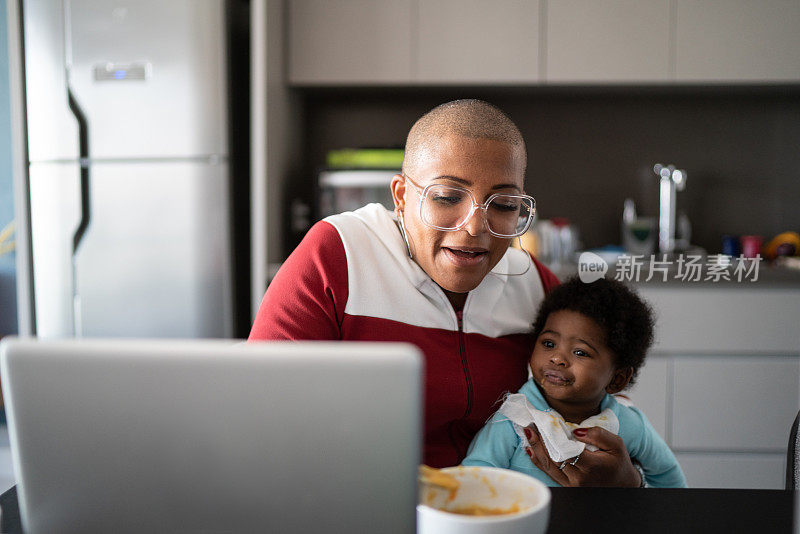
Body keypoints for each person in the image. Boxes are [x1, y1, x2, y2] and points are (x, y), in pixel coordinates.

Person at [249, 99, 643, 486]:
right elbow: (259, 413)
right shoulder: (338, 255)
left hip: (496, 508)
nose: (475, 227)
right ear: (402, 197)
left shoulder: (534, 284)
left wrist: (628, 480)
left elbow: (605, 401)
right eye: (447, 197)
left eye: (503, 204)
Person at [462, 277, 687, 488]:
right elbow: (473, 477)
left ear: (617, 379)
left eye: (580, 352)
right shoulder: (515, 419)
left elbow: (670, 479)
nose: (557, 358)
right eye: (549, 344)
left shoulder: (628, 424)